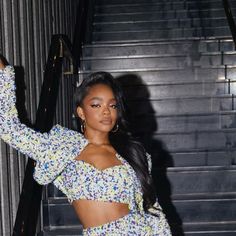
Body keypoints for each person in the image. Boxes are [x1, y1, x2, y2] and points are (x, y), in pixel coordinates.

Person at [0, 58, 171, 235]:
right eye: (96, 105)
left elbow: (152, 209)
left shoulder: (133, 153)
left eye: (112, 105)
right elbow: (9, 129)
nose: (106, 111)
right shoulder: (62, 147)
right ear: (81, 112)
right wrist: (3, 73)